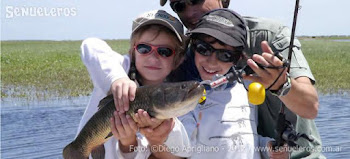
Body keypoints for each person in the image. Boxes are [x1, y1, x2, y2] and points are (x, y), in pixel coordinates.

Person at [158, 0, 324, 158]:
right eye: (179, 5)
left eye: (196, 0)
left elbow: (310, 108)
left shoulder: (270, 35)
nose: (189, 12)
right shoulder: (182, 53)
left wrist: (281, 85)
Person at [77, 10, 191, 159]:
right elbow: (90, 45)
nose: (153, 57)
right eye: (144, 48)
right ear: (133, 51)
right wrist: (117, 78)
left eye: (164, 51)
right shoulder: (118, 69)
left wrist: (128, 142)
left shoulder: (175, 101)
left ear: (177, 59)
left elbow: (180, 151)